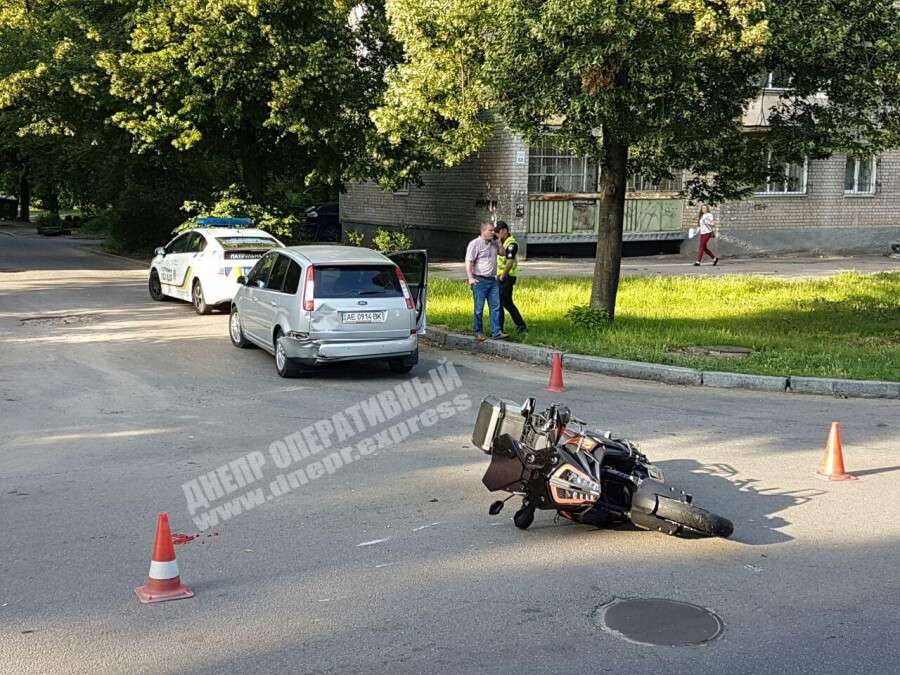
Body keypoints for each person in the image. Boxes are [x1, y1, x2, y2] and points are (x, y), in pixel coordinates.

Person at [465, 222, 507, 341]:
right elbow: (469, 261)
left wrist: (499, 242)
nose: (493, 233)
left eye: (494, 230)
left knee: (495, 306)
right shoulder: (475, 244)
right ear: (483, 231)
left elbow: (503, 254)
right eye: (490, 230)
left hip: (492, 280)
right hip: (479, 280)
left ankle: (496, 332)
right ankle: (479, 331)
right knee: (479, 307)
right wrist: (470, 278)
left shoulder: (494, 243)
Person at [495, 221, 527, 333]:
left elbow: (509, 262)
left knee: (499, 301)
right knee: (507, 303)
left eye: (498, 232)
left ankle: (499, 329)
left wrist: (502, 276)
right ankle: (521, 326)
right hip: (502, 276)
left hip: (507, 276)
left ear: (504, 230)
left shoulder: (512, 244)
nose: (497, 235)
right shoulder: (503, 242)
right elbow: (501, 254)